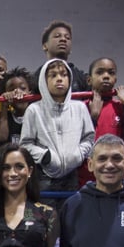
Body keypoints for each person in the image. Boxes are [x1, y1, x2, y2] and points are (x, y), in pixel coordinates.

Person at [21, 59, 95, 193]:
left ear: (70, 78)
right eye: (53, 75)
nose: (59, 79)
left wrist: (78, 155)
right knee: (44, 213)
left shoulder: (80, 108)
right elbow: (25, 144)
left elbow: (89, 138)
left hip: (72, 174)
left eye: (63, 74)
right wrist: (45, 156)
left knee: (71, 211)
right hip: (44, 175)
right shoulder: (34, 110)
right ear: (44, 81)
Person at [85, 57, 124, 186]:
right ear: (89, 80)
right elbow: (76, 141)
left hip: (115, 175)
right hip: (86, 177)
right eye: (100, 72)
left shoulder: (119, 107)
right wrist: (93, 117)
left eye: (111, 73)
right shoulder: (82, 107)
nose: (106, 76)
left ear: (115, 80)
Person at [32, 20, 90, 93]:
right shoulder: (36, 77)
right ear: (45, 46)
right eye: (57, 36)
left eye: (67, 38)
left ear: (71, 49)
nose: (63, 39)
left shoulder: (81, 77)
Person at [0, 67, 33, 149]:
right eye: (11, 89)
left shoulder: (36, 115)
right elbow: (2, 137)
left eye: (22, 88)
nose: (17, 92)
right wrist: (4, 105)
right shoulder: (6, 116)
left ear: (30, 92)